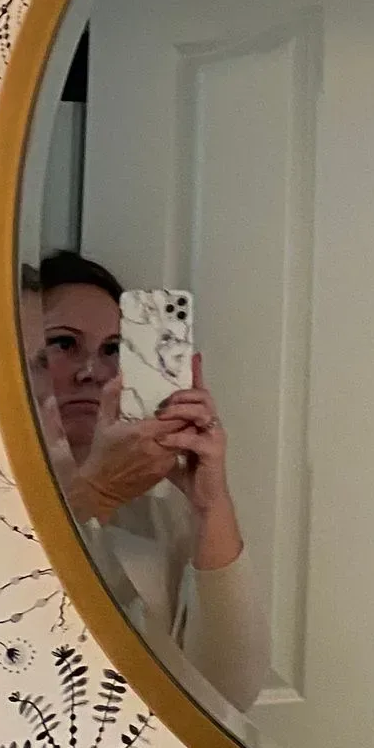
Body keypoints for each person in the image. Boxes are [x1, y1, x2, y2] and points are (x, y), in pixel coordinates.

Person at [24, 252, 271, 714]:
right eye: (63, 344)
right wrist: (95, 495)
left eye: (114, 349)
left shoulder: (160, 515)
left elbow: (228, 694)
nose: (90, 372)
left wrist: (210, 503)